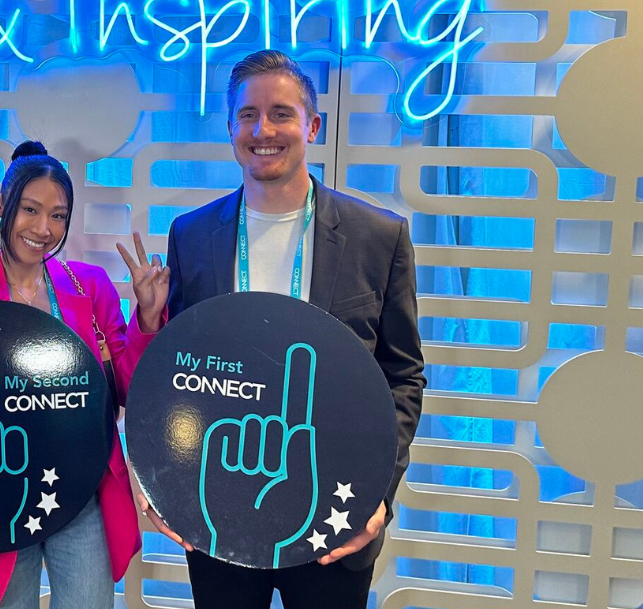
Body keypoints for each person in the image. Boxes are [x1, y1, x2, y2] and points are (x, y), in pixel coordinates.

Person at [119, 50, 426, 609]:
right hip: (219, 509)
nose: (263, 131)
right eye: (247, 115)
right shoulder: (192, 236)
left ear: (312, 126)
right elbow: (182, 376)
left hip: (334, 514)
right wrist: (164, 480)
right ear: (230, 127)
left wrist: (378, 498)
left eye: (281, 113)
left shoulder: (378, 237)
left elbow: (402, 377)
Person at [0, 141, 142, 609]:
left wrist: (146, 316)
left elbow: (127, 388)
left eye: (58, 215)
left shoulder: (91, 287)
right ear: (0, 204)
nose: (44, 229)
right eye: (30, 209)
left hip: (81, 492)